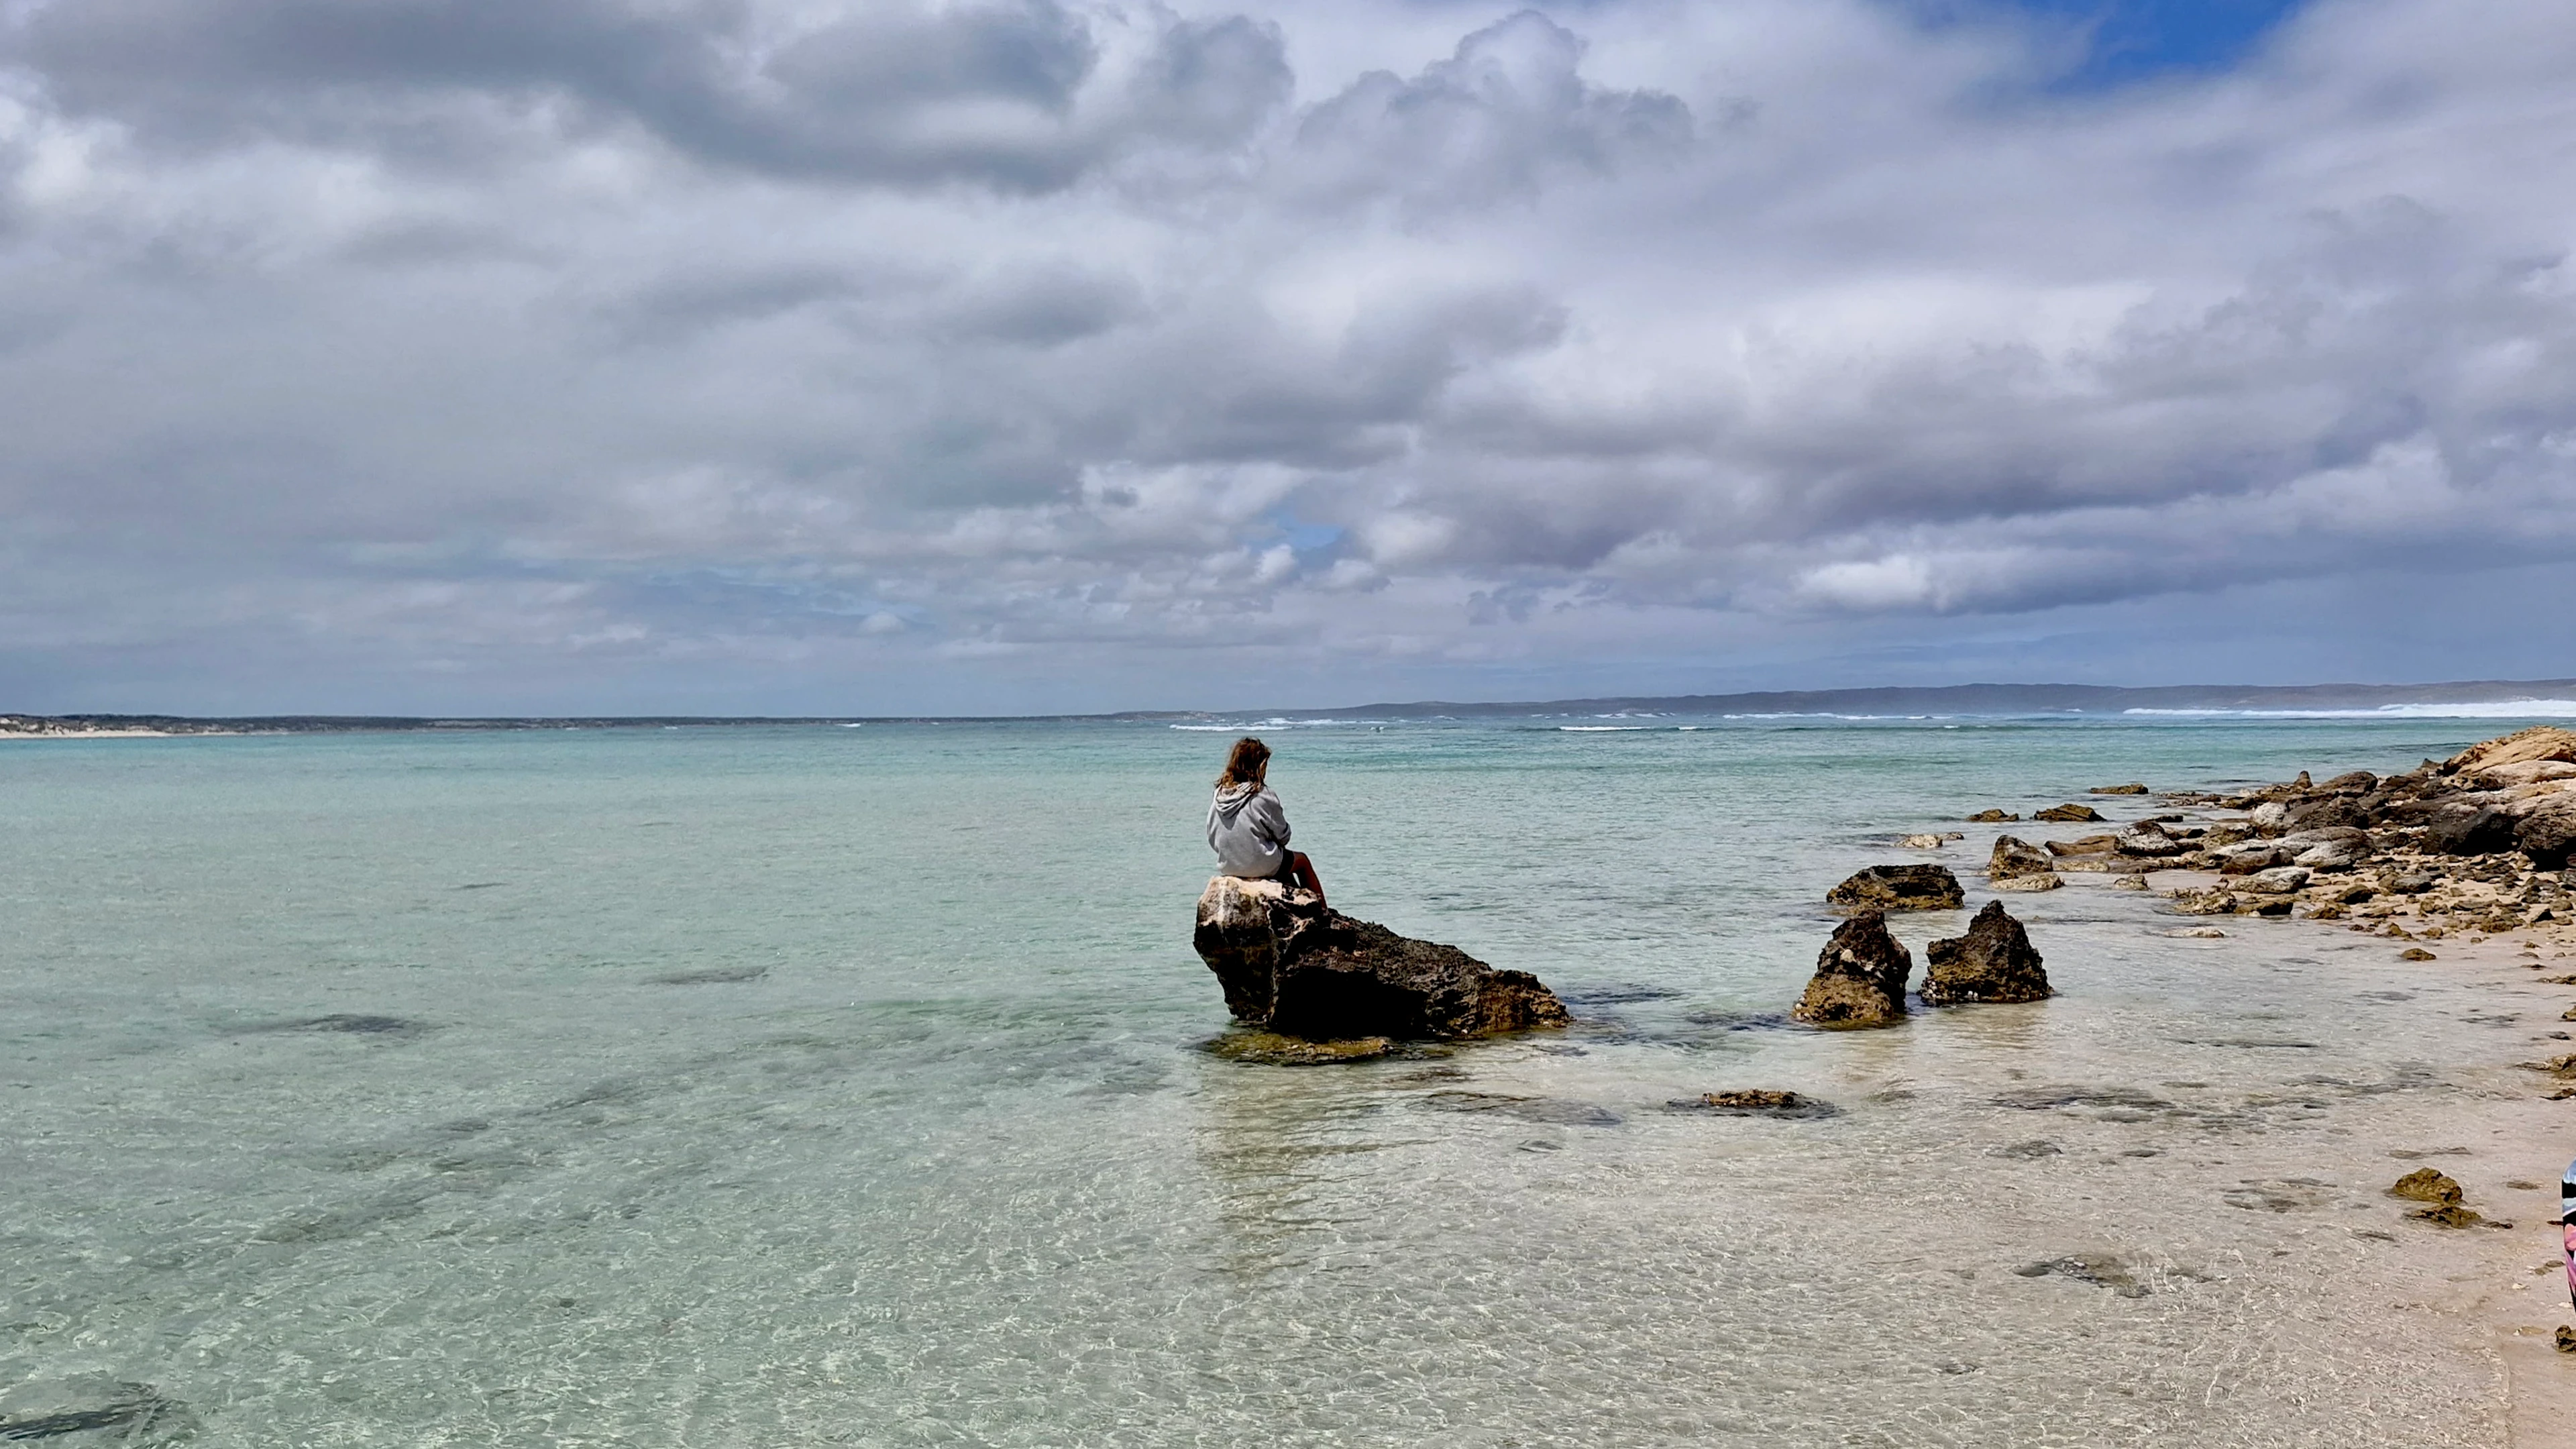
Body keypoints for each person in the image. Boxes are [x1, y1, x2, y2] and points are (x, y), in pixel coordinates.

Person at [1206, 736, 1326, 906]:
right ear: (1260, 766)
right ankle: (1323, 913)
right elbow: (1283, 836)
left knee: (1284, 868)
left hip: (1229, 865)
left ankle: (1300, 906)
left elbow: (1212, 836)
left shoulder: (1219, 793)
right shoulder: (1262, 794)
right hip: (1259, 863)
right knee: (1302, 862)